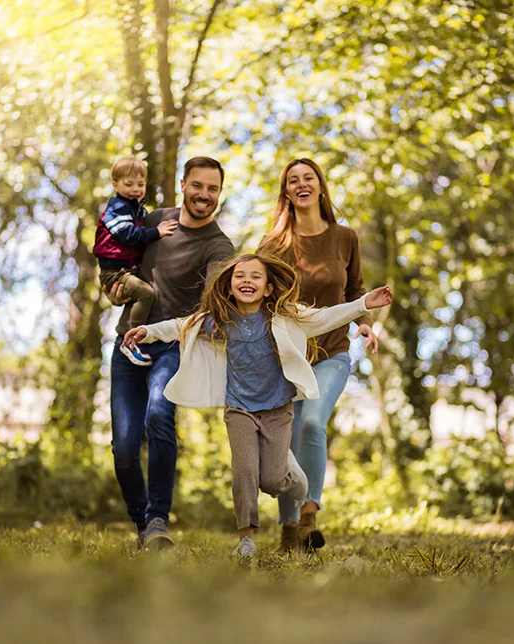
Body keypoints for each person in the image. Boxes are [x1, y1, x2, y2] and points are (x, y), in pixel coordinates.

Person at [122, 253, 392, 558]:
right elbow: (182, 325)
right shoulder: (219, 320)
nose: (246, 281)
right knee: (245, 470)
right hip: (239, 409)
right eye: (239, 276)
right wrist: (148, 331)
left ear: (267, 288)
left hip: (278, 410)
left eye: (255, 276)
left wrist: (364, 303)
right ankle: (246, 539)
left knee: (272, 481)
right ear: (228, 286)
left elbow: (324, 317)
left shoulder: (284, 318)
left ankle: (293, 475)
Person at [105, 157, 235, 550]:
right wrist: (113, 289)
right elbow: (115, 260)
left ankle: (158, 518)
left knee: (160, 415)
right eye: (198, 186)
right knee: (124, 448)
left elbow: (215, 298)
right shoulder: (153, 221)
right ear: (182, 185)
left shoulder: (219, 245)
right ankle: (142, 523)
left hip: (175, 346)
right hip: (129, 342)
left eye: (212, 189)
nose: (204, 195)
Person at [257, 158, 379, 553]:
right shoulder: (274, 243)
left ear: (320, 187)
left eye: (308, 177)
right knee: (286, 441)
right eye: (293, 180)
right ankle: (288, 529)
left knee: (311, 423)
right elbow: (257, 294)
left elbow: (355, 291)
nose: (301, 184)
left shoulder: (346, 238)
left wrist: (365, 322)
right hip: (287, 358)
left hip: (333, 353)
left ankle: (309, 515)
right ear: (287, 193)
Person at [92, 156, 178, 366]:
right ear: (115, 185)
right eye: (128, 184)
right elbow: (128, 235)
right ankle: (131, 340)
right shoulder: (117, 208)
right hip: (115, 272)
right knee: (146, 294)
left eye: (140, 184)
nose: (135, 189)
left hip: (127, 270)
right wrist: (156, 232)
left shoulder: (135, 208)